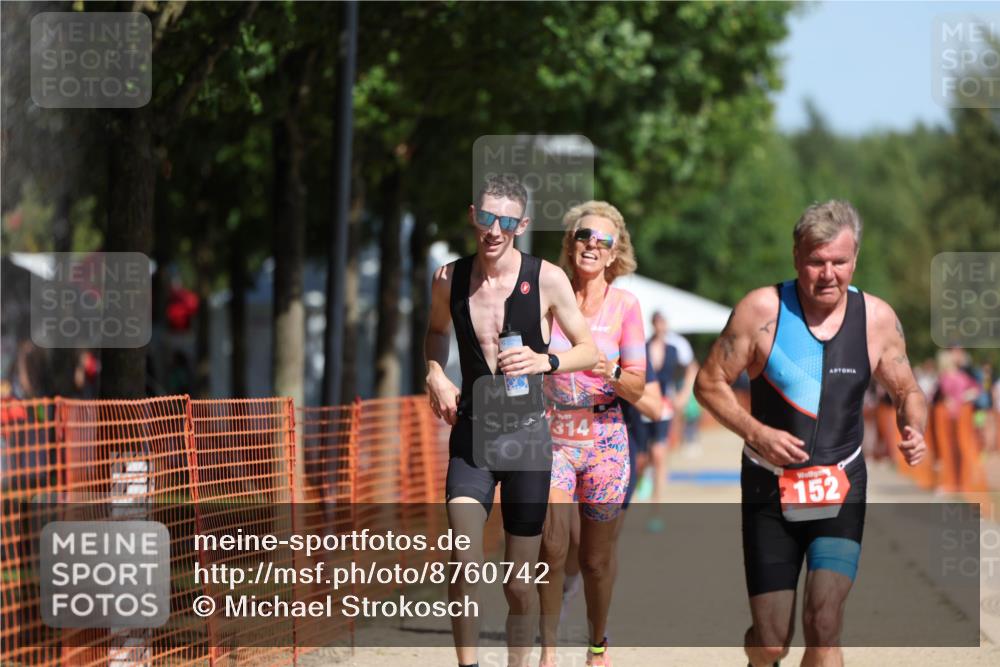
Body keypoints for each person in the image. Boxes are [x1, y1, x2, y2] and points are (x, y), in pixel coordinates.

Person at [694, 200, 927, 667]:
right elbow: (708, 384)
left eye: (839, 262)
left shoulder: (876, 318)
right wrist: (756, 431)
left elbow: (907, 389)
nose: (828, 274)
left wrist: (913, 426)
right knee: (771, 640)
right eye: (816, 262)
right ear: (796, 257)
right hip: (768, 486)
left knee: (825, 624)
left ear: (855, 258)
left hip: (840, 485)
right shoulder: (762, 310)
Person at [425, 174, 598, 667]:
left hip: (527, 440)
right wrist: (434, 372)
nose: (494, 229)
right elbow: (435, 334)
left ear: (521, 224)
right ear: (472, 216)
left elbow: (589, 349)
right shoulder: (448, 278)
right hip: (473, 435)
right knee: (462, 556)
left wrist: (548, 362)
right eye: (486, 217)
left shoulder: (546, 278)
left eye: (506, 220)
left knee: (518, 582)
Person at [537, 201, 646, 667]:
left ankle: (597, 643)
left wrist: (613, 369)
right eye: (584, 236)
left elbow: (639, 387)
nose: (592, 246)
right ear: (571, 242)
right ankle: (546, 651)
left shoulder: (626, 306)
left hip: (605, 437)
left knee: (595, 561)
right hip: (554, 433)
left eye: (603, 241)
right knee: (552, 544)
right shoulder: (546, 297)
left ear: (614, 252)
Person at [639, 312, 696, 531]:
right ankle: (643, 476)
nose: (661, 325)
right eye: (657, 321)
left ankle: (656, 510)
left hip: (664, 406)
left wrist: (683, 395)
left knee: (659, 454)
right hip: (642, 405)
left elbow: (691, 368)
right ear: (653, 324)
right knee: (642, 457)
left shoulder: (676, 347)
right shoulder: (642, 346)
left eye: (664, 321)